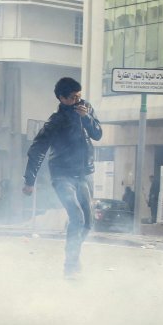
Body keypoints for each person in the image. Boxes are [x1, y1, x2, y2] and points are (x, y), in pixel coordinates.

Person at [22, 77, 103, 278]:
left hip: (84, 174)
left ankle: (73, 253)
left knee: (88, 223)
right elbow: (37, 149)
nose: (78, 101)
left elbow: (98, 134)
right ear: (62, 98)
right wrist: (30, 180)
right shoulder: (55, 121)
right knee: (76, 216)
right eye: (73, 97)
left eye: (80, 96)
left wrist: (87, 118)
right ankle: (71, 264)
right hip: (62, 176)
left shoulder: (87, 109)